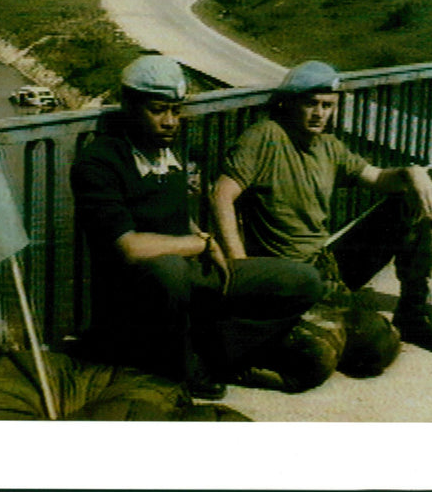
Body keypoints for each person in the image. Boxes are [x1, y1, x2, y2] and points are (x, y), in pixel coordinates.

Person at [70, 55, 324, 399]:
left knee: (302, 282)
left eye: (177, 110)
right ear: (129, 105)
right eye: (158, 110)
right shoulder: (100, 162)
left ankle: (212, 354)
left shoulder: (168, 153)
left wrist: (202, 236)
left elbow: (176, 214)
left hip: (189, 271)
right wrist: (200, 245)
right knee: (169, 271)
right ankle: (179, 370)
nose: (171, 122)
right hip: (138, 292)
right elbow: (128, 247)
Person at [212, 60, 432, 358]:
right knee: (377, 348)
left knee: (403, 204)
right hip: (286, 275)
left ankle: (413, 315)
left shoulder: (328, 146)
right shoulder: (265, 136)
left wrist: (413, 173)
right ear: (291, 103)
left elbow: (377, 178)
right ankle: (322, 327)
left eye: (328, 105)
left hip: (326, 266)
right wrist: (241, 269)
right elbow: (221, 195)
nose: (320, 113)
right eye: (311, 104)